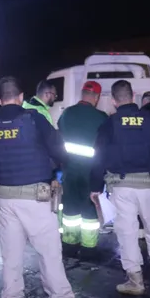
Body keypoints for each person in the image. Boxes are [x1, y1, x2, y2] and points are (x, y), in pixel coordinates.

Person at [0, 76, 89, 298]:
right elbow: (60, 152)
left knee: (11, 260)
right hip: (36, 198)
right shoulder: (34, 119)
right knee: (49, 255)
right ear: (21, 97)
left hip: (5, 199)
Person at [89, 80, 150, 295]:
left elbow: (99, 157)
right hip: (149, 185)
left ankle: (135, 281)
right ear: (133, 96)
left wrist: (95, 186)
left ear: (113, 101)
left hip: (121, 187)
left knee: (127, 233)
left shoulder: (109, 124)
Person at [57, 81, 109, 249]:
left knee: (70, 210)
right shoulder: (101, 117)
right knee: (89, 212)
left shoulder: (67, 114)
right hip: (91, 173)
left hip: (69, 171)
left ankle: (70, 245)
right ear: (97, 97)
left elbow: (59, 138)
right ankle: (88, 248)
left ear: (82, 95)